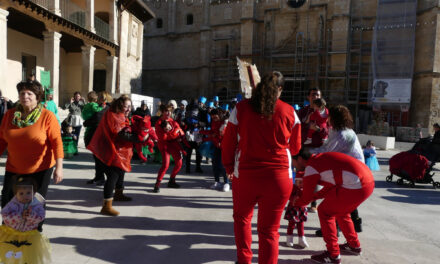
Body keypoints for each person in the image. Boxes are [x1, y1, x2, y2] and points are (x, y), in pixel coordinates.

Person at [222, 71, 301, 264]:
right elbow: (296, 147)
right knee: (269, 231)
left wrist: (228, 166)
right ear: (280, 89)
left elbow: (228, 142)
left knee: (242, 220)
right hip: (279, 178)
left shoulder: (240, 108)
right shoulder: (290, 111)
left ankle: (244, 260)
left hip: (247, 176)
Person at [0, 80, 63, 232]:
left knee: (34, 206)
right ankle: (10, 236)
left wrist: (59, 168)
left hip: (40, 168)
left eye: (29, 93)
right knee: (8, 202)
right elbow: (2, 139)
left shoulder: (47, 116)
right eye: (22, 93)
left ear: (37, 97)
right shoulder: (10, 115)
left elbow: (56, 143)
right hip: (14, 166)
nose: (25, 96)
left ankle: (33, 237)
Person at [293, 150, 374, 264]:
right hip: (367, 182)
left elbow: (305, 198)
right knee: (341, 211)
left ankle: (333, 255)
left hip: (357, 185)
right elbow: (330, 186)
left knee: (325, 212)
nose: (293, 166)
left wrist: (294, 203)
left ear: (300, 159)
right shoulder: (320, 159)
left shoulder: (311, 167)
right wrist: (314, 197)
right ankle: (353, 246)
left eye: (293, 162)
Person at [310, 105, 364, 235]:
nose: (327, 119)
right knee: (345, 199)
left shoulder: (341, 134)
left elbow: (327, 151)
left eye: (329, 117)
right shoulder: (348, 131)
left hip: (349, 171)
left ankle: (333, 228)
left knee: (332, 201)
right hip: (356, 170)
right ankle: (356, 223)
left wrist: (307, 153)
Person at [87, 95, 142, 216]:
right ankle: (106, 206)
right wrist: (139, 138)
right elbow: (121, 135)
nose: (128, 109)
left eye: (130, 106)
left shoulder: (120, 115)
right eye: (126, 106)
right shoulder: (114, 115)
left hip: (117, 150)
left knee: (120, 172)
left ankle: (118, 194)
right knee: (113, 176)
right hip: (109, 151)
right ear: (120, 105)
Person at [0, 176, 51, 264]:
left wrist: (30, 216)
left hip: (30, 235)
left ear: (34, 192)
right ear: (16, 194)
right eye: (21, 193)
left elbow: (41, 217)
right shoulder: (13, 204)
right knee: (12, 255)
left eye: (28, 193)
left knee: (28, 257)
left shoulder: (36, 205)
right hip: (12, 234)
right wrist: (19, 216)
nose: (25, 196)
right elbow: (4, 214)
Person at [153, 104, 185, 193]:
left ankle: (172, 180)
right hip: (164, 145)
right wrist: (174, 132)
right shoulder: (159, 123)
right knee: (166, 165)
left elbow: (180, 130)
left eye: (170, 111)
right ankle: (157, 184)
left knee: (179, 163)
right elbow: (163, 137)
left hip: (173, 144)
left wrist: (181, 136)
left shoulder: (172, 120)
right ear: (162, 112)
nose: (169, 113)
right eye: (167, 111)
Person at [83, 91, 112, 185]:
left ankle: (104, 178)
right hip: (96, 135)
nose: (96, 98)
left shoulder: (104, 108)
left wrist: (86, 123)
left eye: (98, 97)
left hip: (99, 136)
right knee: (97, 158)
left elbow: (95, 119)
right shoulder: (102, 107)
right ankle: (99, 177)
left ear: (103, 98)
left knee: (100, 159)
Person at [200, 108, 229, 192]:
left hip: (224, 147)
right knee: (215, 164)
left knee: (223, 165)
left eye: (215, 117)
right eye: (212, 117)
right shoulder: (214, 122)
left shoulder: (225, 123)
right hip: (216, 146)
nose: (213, 118)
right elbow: (212, 133)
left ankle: (226, 183)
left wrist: (221, 142)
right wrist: (201, 132)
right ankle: (217, 182)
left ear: (219, 115)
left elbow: (228, 136)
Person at [284, 172, 309, 248]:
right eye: (298, 182)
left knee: (300, 225)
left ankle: (301, 239)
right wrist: (293, 199)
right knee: (291, 224)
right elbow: (289, 196)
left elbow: (308, 197)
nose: (300, 184)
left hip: (301, 209)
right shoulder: (293, 188)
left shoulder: (306, 189)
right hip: (293, 208)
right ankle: (289, 238)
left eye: (302, 182)